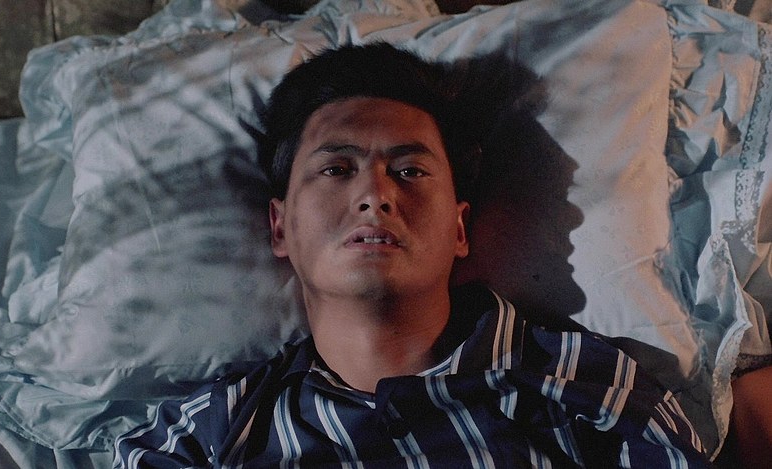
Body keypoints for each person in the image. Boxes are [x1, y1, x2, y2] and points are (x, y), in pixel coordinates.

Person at [113, 43, 712, 468]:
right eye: (336, 169)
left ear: (460, 228)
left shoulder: (587, 390)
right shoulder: (202, 438)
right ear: (280, 227)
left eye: (409, 171)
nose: (375, 195)